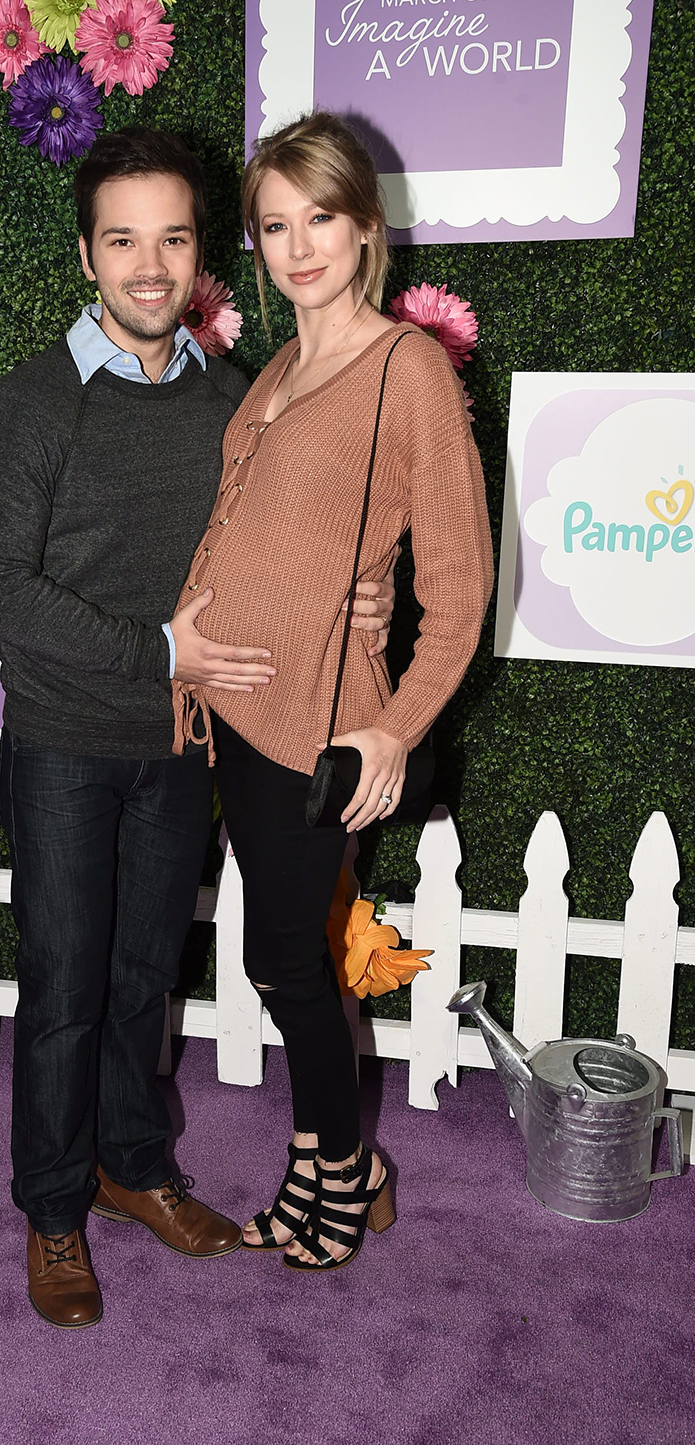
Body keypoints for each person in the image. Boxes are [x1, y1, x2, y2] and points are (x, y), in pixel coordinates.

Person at [0, 127, 395, 1327]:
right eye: (121, 239)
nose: (148, 265)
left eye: (174, 236)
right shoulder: (35, 401)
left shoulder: (232, 395)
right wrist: (157, 650)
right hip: (62, 739)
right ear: (87, 254)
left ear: (203, 249)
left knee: (147, 973)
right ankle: (53, 1207)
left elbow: (292, 534)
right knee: (63, 983)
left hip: (184, 746)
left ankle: (135, 1166)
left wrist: (359, 591)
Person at [172, 111, 494, 1271]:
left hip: (322, 725)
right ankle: (344, 1165)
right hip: (235, 716)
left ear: (364, 228)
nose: (296, 245)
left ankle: (337, 1173)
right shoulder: (269, 370)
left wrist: (394, 724)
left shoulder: (405, 367)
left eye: (319, 218)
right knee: (291, 956)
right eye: (272, 224)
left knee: (282, 963)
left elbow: (458, 589)